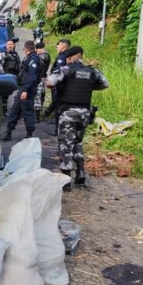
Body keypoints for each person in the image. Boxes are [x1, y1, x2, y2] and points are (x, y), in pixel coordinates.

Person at [45, 45, 109, 187]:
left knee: (66, 145)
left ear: (71, 57)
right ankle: (80, 171)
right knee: (77, 142)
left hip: (68, 113)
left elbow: (50, 82)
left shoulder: (66, 70)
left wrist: (54, 82)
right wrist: (90, 86)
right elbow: (105, 84)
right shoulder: (93, 72)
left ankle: (66, 180)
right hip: (85, 113)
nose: (66, 60)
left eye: (67, 58)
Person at [2, 40, 40, 141]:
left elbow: (32, 76)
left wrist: (26, 90)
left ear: (25, 49)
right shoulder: (29, 58)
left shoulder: (34, 59)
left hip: (27, 88)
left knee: (27, 110)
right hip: (23, 87)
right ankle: (9, 131)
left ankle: (29, 133)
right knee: (15, 109)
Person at [43, 38, 72, 134]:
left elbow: (58, 71)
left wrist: (52, 83)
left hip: (58, 85)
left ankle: (57, 129)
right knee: (59, 105)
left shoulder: (62, 57)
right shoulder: (67, 56)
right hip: (64, 86)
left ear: (64, 46)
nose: (57, 47)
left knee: (58, 105)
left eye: (58, 45)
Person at [33, 42, 51, 121]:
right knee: (41, 96)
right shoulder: (46, 55)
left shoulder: (43, 56)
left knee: (38, 96)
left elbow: (38, 67)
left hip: (39, 79)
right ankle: (37, 114)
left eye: (36, 50)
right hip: (42, 78)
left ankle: (36, 116)